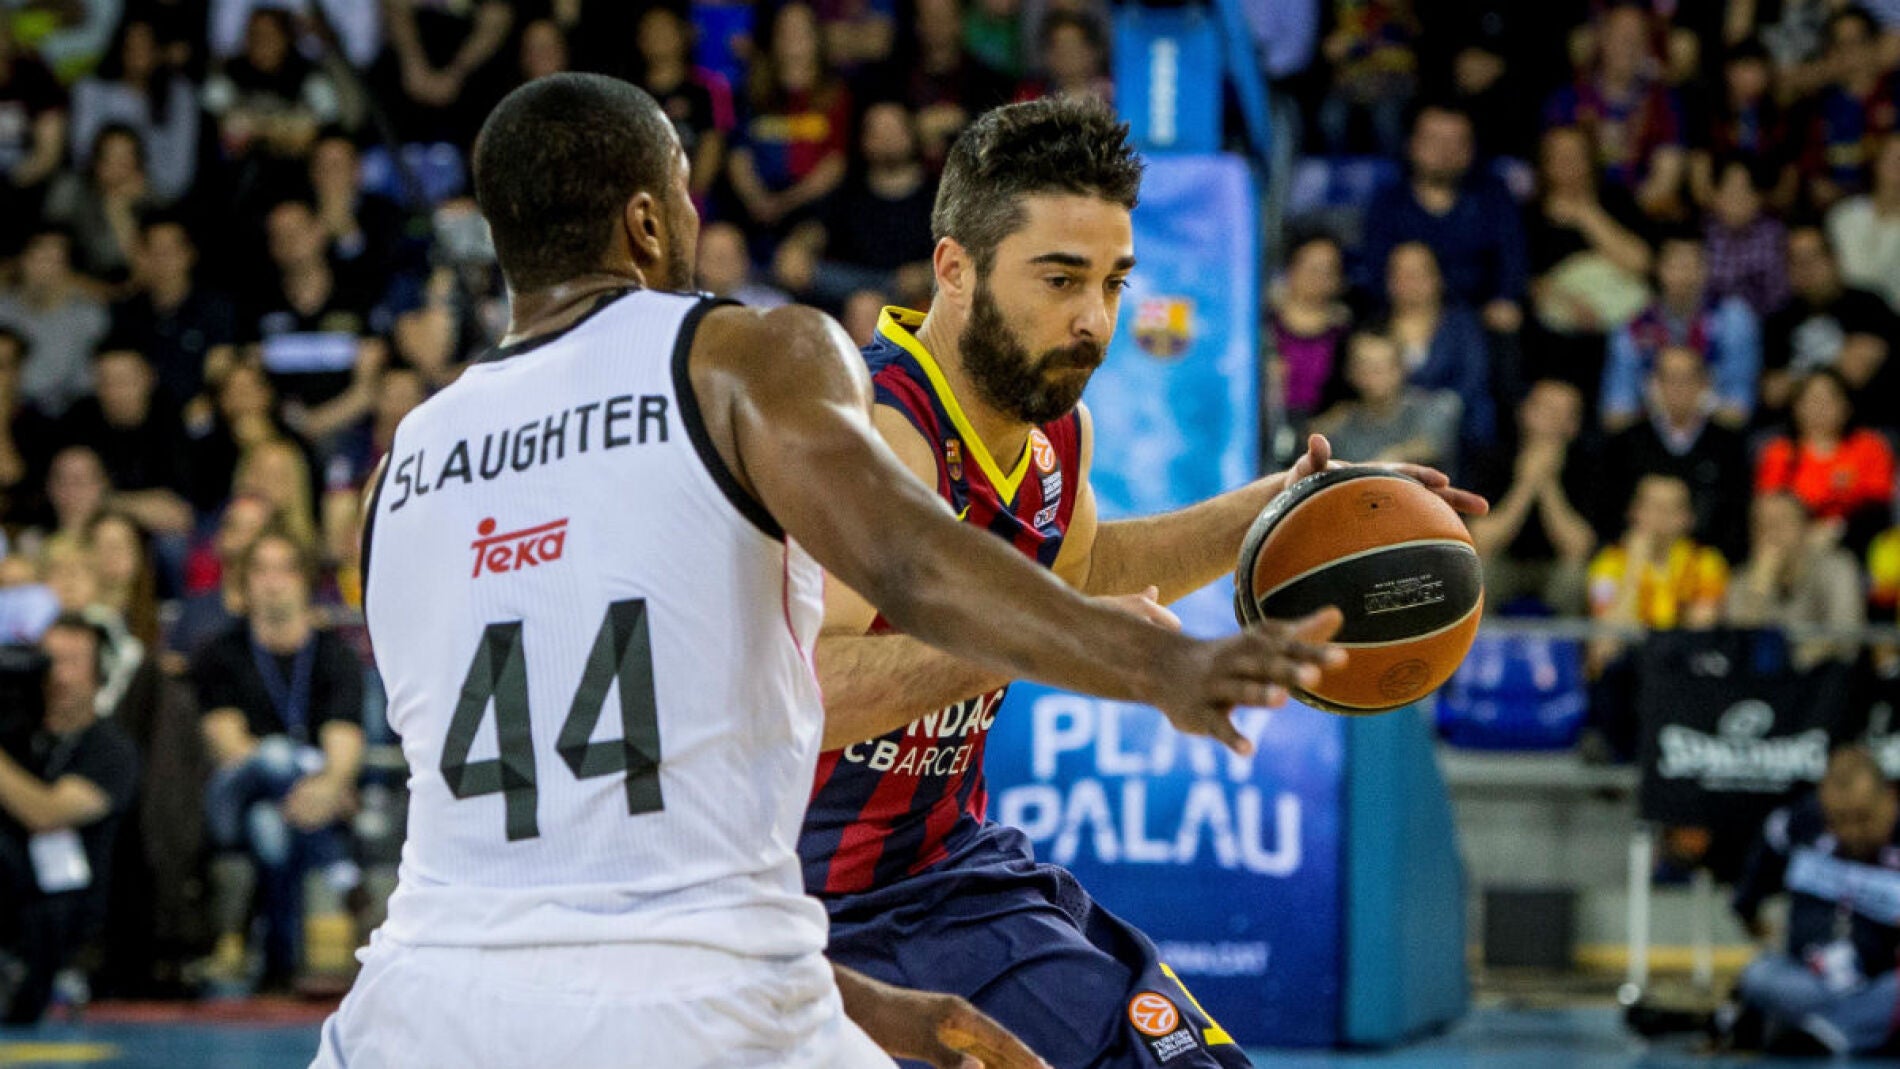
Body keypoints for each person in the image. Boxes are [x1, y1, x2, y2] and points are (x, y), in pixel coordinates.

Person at [313, 74, 1359, 1069]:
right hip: (716, 969)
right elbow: (911, 571)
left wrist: (1265, 516)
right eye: (685, 190)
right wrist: (1143, 660)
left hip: (416, 999)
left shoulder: (406, 468)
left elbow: (582, 811)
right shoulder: (736, 360)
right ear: (646, 222)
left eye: (1111, 282)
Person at [801, 97, 1484, 1069]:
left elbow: (1074, 573)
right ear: (954, 269)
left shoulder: (1053, 435)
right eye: (1059, 279)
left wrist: (1271, 513)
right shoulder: (874, 432)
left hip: (949, 869)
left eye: (1114, 282)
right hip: (817, 900)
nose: (1094, 319)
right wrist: (1055, 637)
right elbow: (808, 691)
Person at [192, 525, 363, 990]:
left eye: (285, 570)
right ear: (244, 582)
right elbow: (229, 747)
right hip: (234, 795)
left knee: (270, 826)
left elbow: (344, 745)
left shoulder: (334, 655)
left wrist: (328, 786)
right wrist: (319, 782)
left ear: (305, 580)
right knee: (274, 755)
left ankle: (278, 963)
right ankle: (339, 870)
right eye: (261, 570)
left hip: (281, 809)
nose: (273, 583)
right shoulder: (221, 652)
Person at [0, 616, 140, 1023]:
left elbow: (46, 812)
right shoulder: (17, 733)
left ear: (99, 674)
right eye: (50, 660)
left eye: (72, 662)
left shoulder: (111, 750)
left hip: (70, 911)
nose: (57, 675)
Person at [1724, 747, 1900, 1055]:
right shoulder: (1798, 823)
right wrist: (1750, 915)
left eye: (1863, 818)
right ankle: (1847, 1029)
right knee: (1759, 974)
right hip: (1810, 983)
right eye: (1839, 820)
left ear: (1889, 799)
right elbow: (1749, 891)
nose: (1852, 832)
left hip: (1882, 984)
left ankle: (1826, 1034)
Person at [1359, 103, 1527, 334]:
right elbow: (1377, 272)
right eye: (1435, 140)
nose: (1446, 152)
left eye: (1458, 142)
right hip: (1408, 317)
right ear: (1412, 144)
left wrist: (1505, 298)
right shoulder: (1388, 203)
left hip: (1481, 320)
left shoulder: (1493, 197)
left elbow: (1513, 262)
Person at [1598, 345, 1751, 562]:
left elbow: (1736, 516)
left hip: (1709, 563)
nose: (1678, 387)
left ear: (1704, 384)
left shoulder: (1729, 445)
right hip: (1633, 558)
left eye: (1687, 379)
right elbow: (1608, 511)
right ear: (1654, 384)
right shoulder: (1624, 442)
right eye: (1670, 378)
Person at [1724, 493, 1865, 670]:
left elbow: (1846, 638)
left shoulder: (1837, 567)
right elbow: (1736, 648)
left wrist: (1793, 661)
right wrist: (1758, 593)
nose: (1771, 533)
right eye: (1760, 525)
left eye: (1782, 522)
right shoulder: (1742, 580)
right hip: (1761, 680)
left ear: (1805, 528)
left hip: (1825, 676)